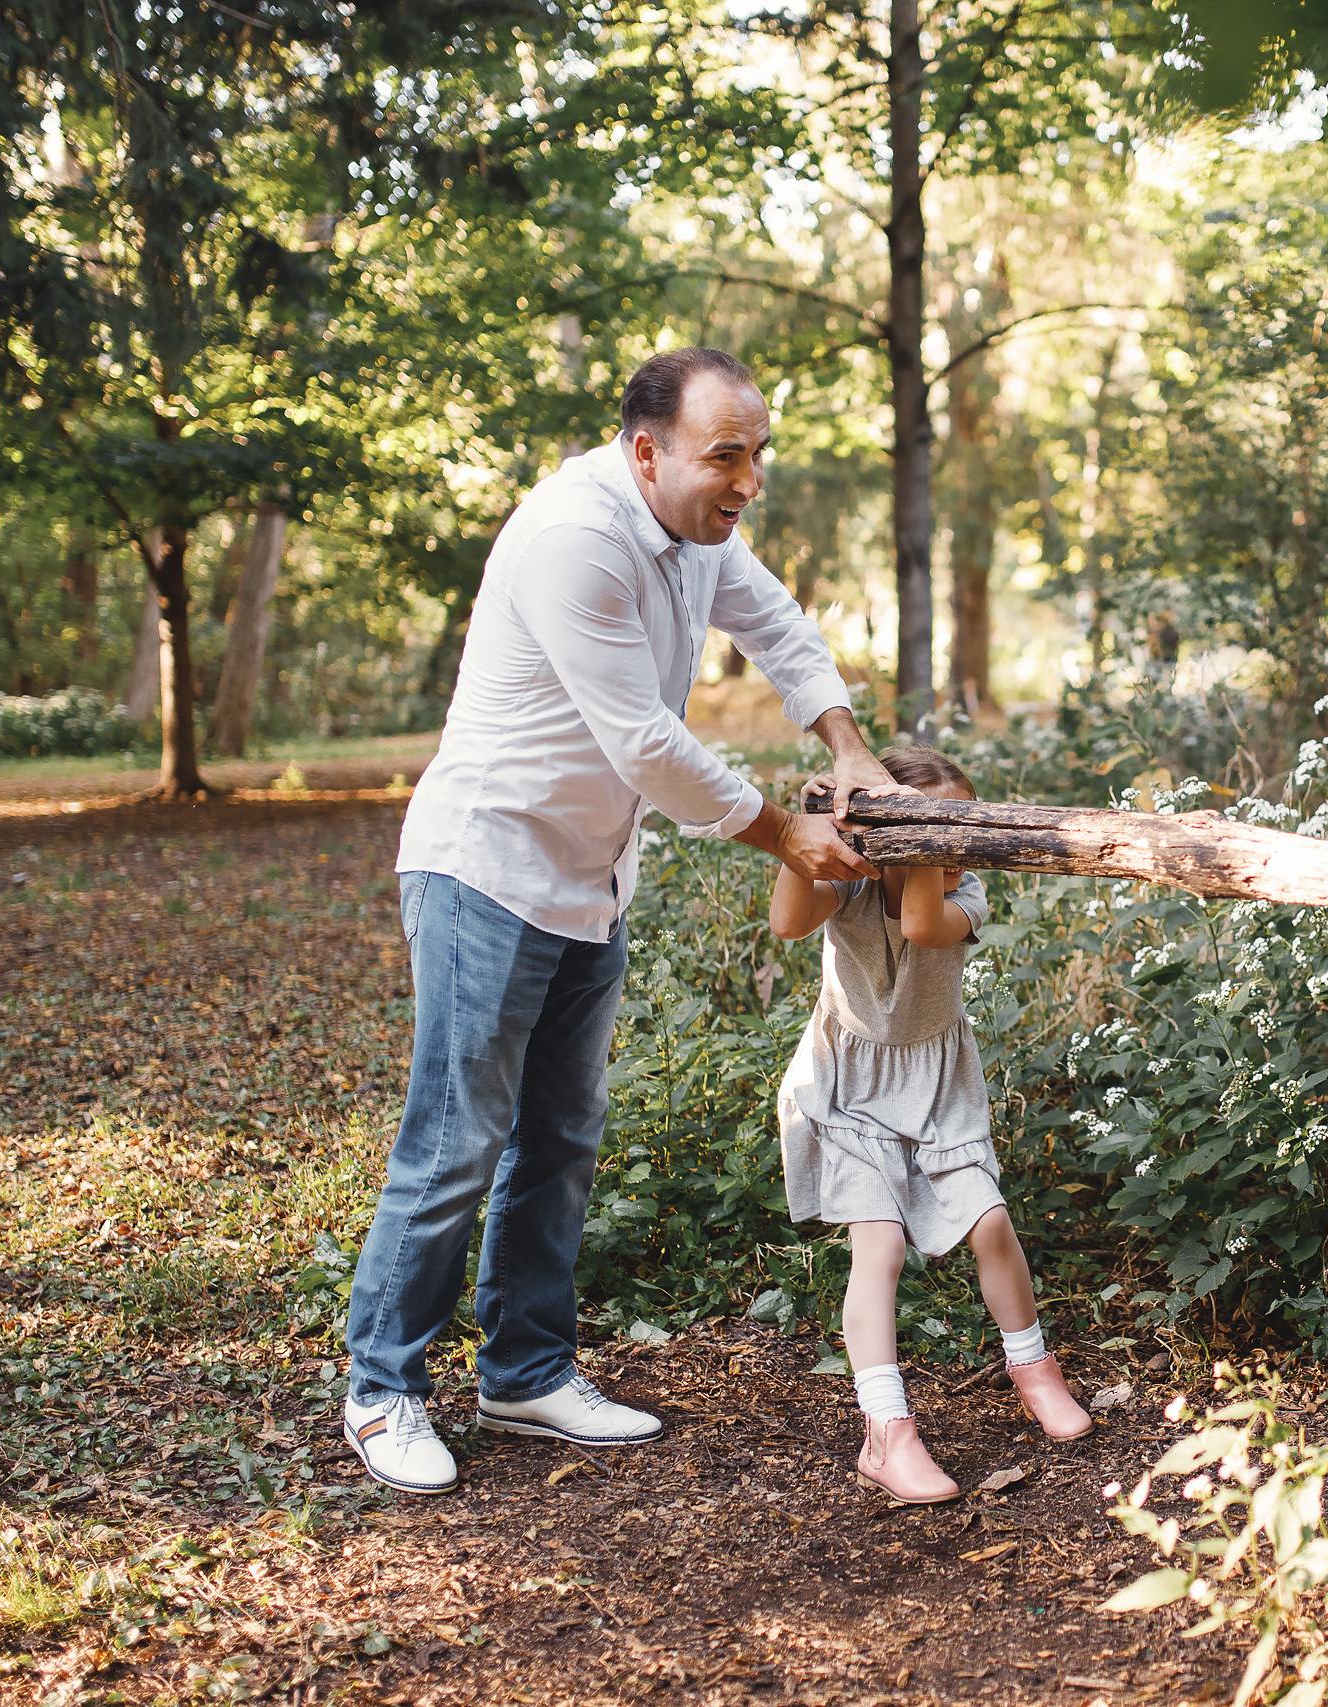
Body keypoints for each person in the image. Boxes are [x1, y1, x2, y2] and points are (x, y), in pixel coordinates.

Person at [340, 348, 896, 1496]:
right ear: (647, 450)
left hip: (589, 878)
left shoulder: (699, 531)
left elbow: (778, 627)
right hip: (486, 868)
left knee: (561, 1135)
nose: (747, 481)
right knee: (456, 1139)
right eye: (725, 456)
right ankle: (382, 1388)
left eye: (758, 455)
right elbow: (645, 742)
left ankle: (525, 1374)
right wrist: (786, 837)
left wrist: (844, 743)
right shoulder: (574, 536)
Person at [768, 746, 1093, 1504]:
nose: (957, 850)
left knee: (991, 1224)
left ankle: (1033, 1367)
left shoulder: (965, 892)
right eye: (941, 833)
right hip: (850, 1089)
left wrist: (927, 836)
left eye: (963, 832)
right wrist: (809, 828)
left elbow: (920, 926)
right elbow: (786, 921)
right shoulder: (848, 885)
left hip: (938, 1088)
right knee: (879, 1248)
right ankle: (887, 1430)